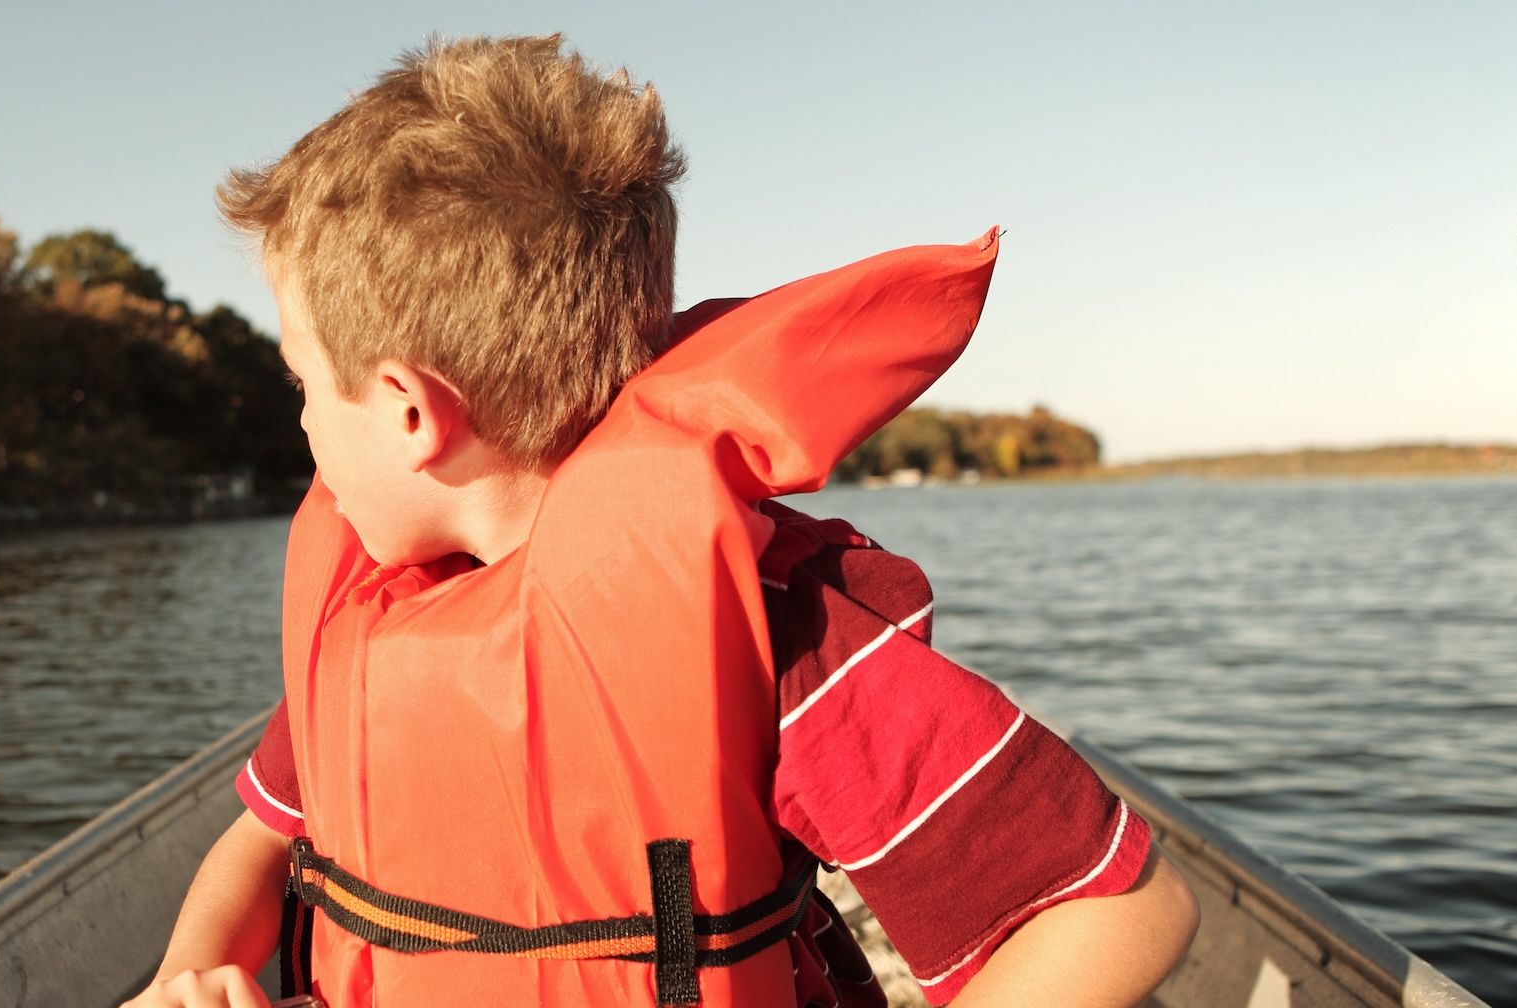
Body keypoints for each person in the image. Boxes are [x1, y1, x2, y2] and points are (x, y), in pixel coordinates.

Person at [127, 34, 1197, 1008]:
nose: (300, 422)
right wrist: (188, 974)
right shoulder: (378, 610)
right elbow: (264, 836)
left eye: (302, 384)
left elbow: (1119, 910)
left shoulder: (767, 631)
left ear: (410, 413)